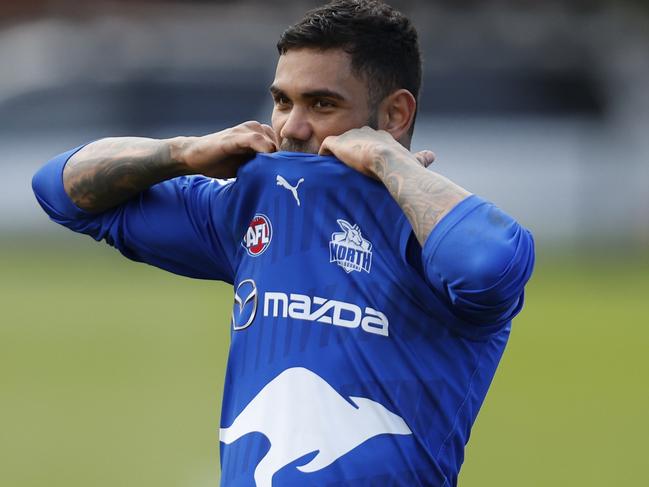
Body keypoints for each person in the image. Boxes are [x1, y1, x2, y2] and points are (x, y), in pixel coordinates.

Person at [32, 0, 535, 485]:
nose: (292, 128)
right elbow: (60, 190)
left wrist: (389, 163)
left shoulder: (435, 236)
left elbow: (493, 266)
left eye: (322, 104)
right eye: (282, 101)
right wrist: (182, 152)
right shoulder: (252, 211)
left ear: (395, 116)